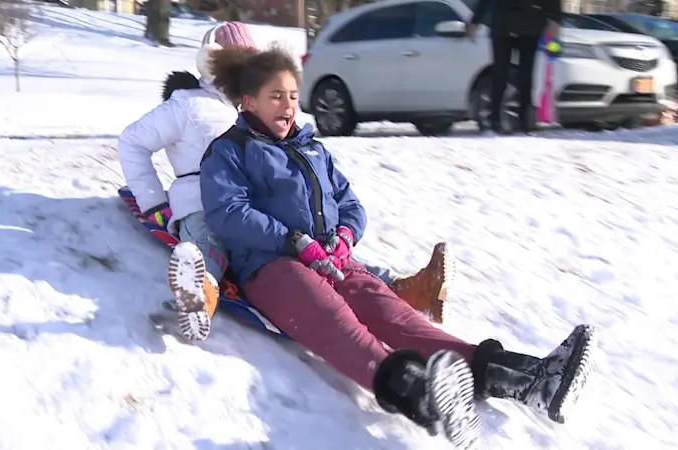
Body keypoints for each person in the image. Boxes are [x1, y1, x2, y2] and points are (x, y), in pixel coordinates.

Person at [198, 45, 598, 448]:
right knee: (334, 319)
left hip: (334, 261)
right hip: (273, 267)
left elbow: (350, 204)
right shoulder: (231, 151)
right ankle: (423, 397)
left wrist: (344, 238)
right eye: (275, 96)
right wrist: (293, 240)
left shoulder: (312, 149)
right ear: (248, 102)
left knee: (397, 316)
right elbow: (228, 212)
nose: (288, 105)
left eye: (293, 96)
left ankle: (527, 378)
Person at [117, 22, 456, 342]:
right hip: (202, 203)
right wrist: (155, 203)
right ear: (215, 64)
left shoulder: (254, 106)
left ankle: (407, 289)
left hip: (258, 208)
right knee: (209, 244)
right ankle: (198, 296)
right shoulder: (187, 104)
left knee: (322, 255)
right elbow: (133, 141)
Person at [467, 0, 562, 134]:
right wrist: (475, 22)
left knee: (524, 75)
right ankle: (497, 120)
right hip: (508, 23)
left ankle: (523, 121)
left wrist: (554, 20)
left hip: (527, 23)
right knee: (502, 74)